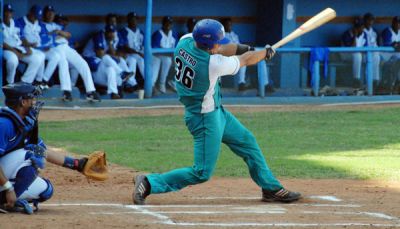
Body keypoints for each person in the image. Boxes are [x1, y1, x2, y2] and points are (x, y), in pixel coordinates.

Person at [132, 19, 301, 205]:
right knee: (202, 172)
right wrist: (264, 54)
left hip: (216, 112)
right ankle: (149, 183)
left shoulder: (185, 41)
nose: (219, 44)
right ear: (209, 45)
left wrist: (247, 48)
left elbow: (221, 49)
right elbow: (244, 60)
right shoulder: (213, 64)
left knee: (247, 142)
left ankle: (270, 188)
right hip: (204, 118)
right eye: (216, 42)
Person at [0, 82, 91, 214]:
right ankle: (5, 201)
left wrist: (76, 164)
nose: (34, 102)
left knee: (45, 190)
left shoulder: (24, 123)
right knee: (30, 155)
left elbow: (42, 151)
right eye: (32, 98)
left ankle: (4, 200)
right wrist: (8, 188)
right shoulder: (4, 124)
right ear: (23, 102)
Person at [41, 5, 101, 102]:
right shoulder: (41, 25)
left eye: (52, 12)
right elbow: (46, 38)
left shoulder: (56, 25)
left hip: (66, 47)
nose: (50, 14)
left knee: (82, 63)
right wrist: (56, 34)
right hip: (55, 48)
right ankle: (66, 91)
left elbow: (68, 35)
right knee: (63, 63)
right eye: (48, 12)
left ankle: (90, 91)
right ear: (44, 14)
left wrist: (58, 32)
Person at [15, 5, 73, 101]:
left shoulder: (39, 23)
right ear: (30, 13)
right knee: (40, 57)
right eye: (35, 16)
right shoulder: (20, 21)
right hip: (26, 48)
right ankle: (31, 82)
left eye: (38, 16)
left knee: (56, 56)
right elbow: (20, 36)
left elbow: (45, 35)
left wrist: (47, 43)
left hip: (39, 47)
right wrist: (28, 44)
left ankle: (43, 82)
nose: (36, 18)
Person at [82, 25, 136, 99]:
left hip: (101, 68)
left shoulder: (109, 40)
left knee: (112, 68)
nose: (111, 34)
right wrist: (114, 57)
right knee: (106, 57)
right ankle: (123, 74)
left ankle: (114, 92)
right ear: (105, 32)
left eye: (112, 32)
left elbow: (114, 54)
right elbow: (100, 55)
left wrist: (110, 43)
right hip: (91, 67)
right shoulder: (99, 36)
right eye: (109, 32)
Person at [2, 3, 45, 85]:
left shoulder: (15, 23)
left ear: (12, 13)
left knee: (37, 59)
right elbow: (2, 42)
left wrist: (27, 47)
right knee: (13, 61)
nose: (8, 14)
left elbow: (21, 38)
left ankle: (24, 82)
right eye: (6, 12)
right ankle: (9, 83)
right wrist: (15, 52)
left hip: (19, 48)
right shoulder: (1, 24)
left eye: (10, 12)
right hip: (7, 49)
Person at [118, 12, 145, 89]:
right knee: (135, 59)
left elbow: (143, 46)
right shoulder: (123, 31)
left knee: (141, 59)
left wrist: (142, 53)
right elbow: (126, 48)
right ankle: (131, 83)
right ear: (128, 21)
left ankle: (148, 82)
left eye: (136, 19)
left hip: (139, 54)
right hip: (127, 54)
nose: (134, 21)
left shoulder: (141, 32)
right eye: (132, 19)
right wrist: (138, 53)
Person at [152, 16, 178, 93]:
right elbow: (155, 50)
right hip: (157, 56)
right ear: (163, 24)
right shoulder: (157, 34)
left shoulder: (173, 34)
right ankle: (161, 83)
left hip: (170, 56)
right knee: (167, 60)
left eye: (170, 23)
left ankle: (174, 81)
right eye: (166, 23)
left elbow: (176, 48)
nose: (168, 25)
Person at [341, 17, 368, 87]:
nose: (360, 28)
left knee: (373, 56)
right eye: (358, 26)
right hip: (345, 55)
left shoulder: (364, 34)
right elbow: (352, 48)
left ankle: (372, 81)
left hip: (358, 55)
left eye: (361, 26)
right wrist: (355, 36)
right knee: (357, 55)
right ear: (354, 27)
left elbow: (366, 49)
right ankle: (356, 79)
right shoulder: (347, 34)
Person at [363, 13, 381, 83]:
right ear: (364, 20)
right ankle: (369, 81)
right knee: (372, 57)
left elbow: (376, 45)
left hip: (373, 54)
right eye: (368, 20)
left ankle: (375, 80)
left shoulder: (374, 32)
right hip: (363, 54)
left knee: (376, 56)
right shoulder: (361, 31)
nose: (370, 22)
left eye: (371, 20)